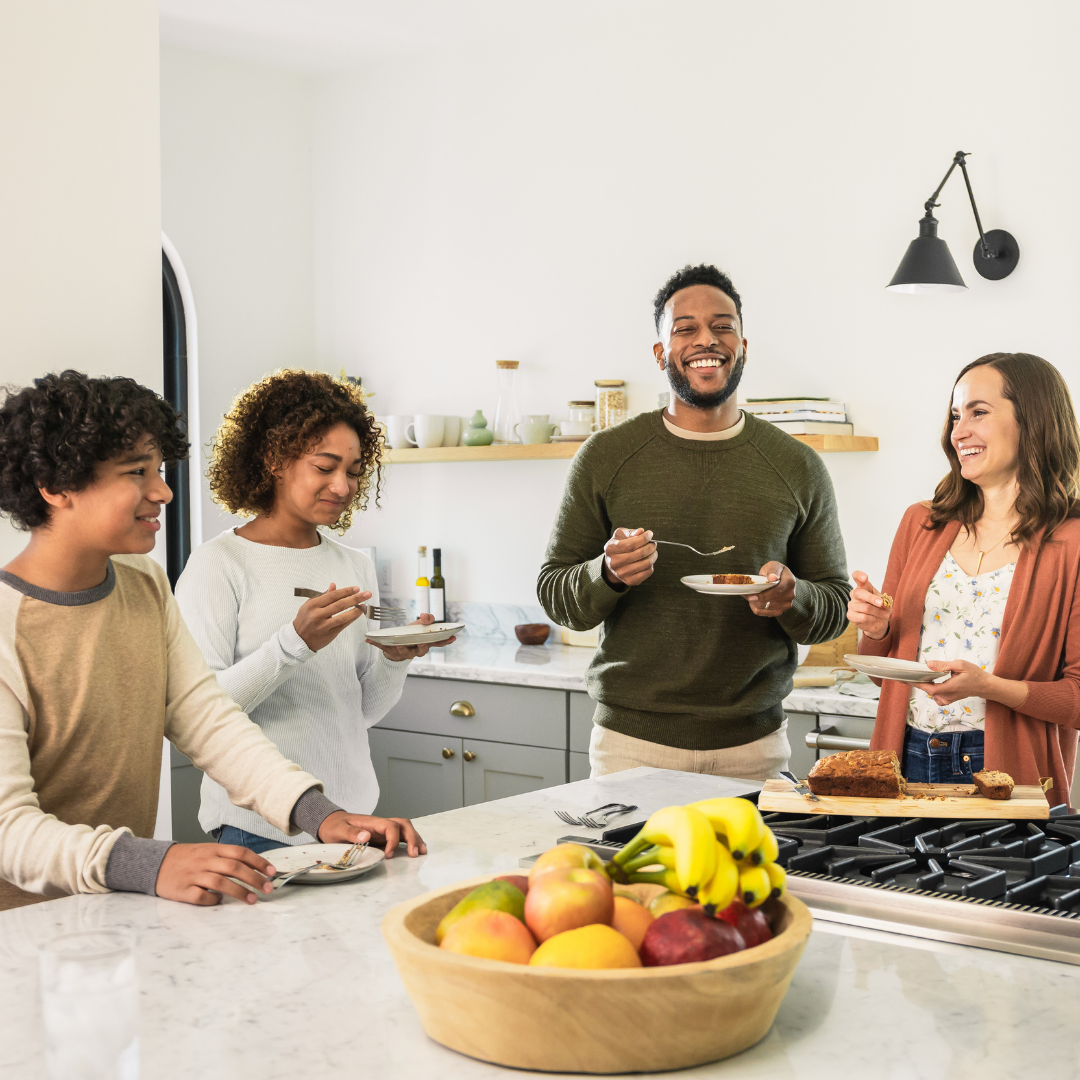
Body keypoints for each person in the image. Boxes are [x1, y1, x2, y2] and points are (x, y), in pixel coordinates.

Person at [0, 371, 398, 912]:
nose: (162, 491)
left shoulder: (143, 586)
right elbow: (8, 828)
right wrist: (155, 861)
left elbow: (209, 721)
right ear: (56, 486)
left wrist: (318, 813)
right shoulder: (6, 626)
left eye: (159, 470)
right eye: (136, 473)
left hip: (115, 907)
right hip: (20, 931)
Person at [538, 264, 850, 780]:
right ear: (661, 353)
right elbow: (555, 594)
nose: (707, 339)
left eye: (723, 326)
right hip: (630, 749)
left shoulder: (798, 466)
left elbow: (835, 609)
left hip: (755, 750)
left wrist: (793, 598)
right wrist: (607, 575)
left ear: (743, 345)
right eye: (685, 328)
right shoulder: (605, 456)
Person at [176, 370, 451, 853]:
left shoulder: (354, 564)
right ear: (273, 460)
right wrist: (293, 644)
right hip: (256, 828)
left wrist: (396, 657)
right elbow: (203, 714)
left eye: (353, 470)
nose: (343, 486)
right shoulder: (218, 565)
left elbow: (361, 712)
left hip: (353, 820)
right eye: (325, 467)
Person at [848, 353, 1080, 804]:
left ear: (1032, 421)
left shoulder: (1072, 542)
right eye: (956, 415)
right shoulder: (921, 524)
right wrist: (875, 630)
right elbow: (885, 677)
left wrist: (989, 687)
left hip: (1005, 772)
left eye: (979, 412)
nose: (958, 432)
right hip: (906, 753)